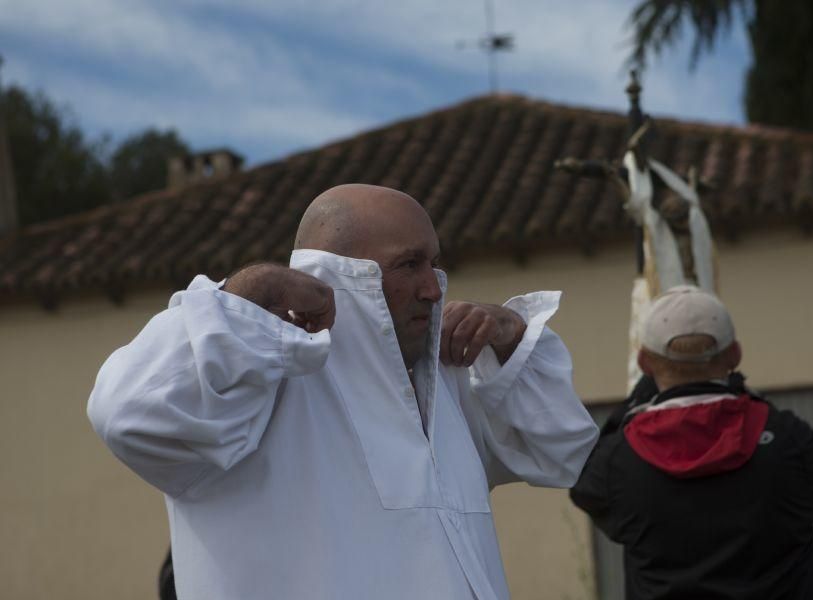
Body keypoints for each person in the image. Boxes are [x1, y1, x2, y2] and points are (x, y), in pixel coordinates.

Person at [88, 183, 599, 600]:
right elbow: (128, 412)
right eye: (409, 264)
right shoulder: (249, 384)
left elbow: (562, 452)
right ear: (342, 276)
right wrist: (248, 294)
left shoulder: (446, 380)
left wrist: (509, 334)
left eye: (433, 263)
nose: (434, 288)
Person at [570, 285, 813, 600]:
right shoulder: (786, 439)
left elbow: (585, 486)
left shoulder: (619, 460)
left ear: (645, 364)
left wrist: (634, 403)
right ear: (735, 355)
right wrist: (749, 399)